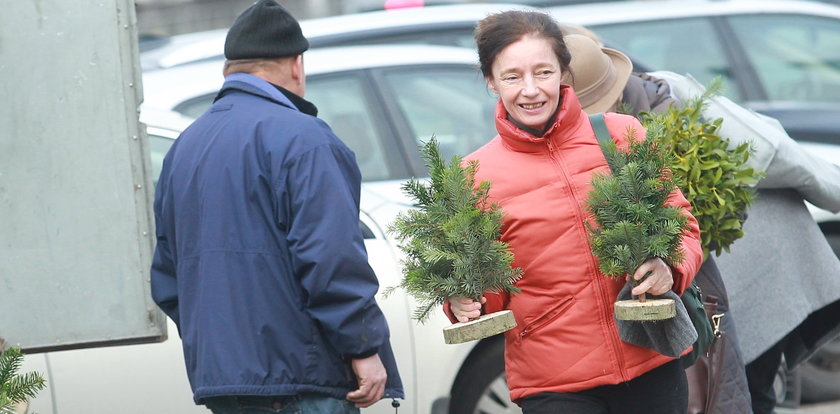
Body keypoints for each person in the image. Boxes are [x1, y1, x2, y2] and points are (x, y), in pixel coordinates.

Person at [564, 33, 840, 414]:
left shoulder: (671, 97)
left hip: (762, 254)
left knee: (747, 385)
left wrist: (834, 192)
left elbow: (773, 150)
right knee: (725, 385)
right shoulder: (580, 140)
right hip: (698, 276)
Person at [150, 1, 403, 413]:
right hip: (304, 380)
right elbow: (331, 258)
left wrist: (222, 345)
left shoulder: (185, 147)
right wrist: (363, 347)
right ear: (296, 65)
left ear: (229, 70)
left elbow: (168, 276)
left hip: (224, 383)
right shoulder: (306, 139)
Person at [446, 11, 703, 413]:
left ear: (564, 72)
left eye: (543, 72)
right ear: (491, 81)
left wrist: (670, 267)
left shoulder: (620, 135)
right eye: (512, 77)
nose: (530, 90)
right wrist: (464, 303)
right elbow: (486, 289)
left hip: (650, 361)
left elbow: (682, 226)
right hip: (554, 382)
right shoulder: (473, 177)